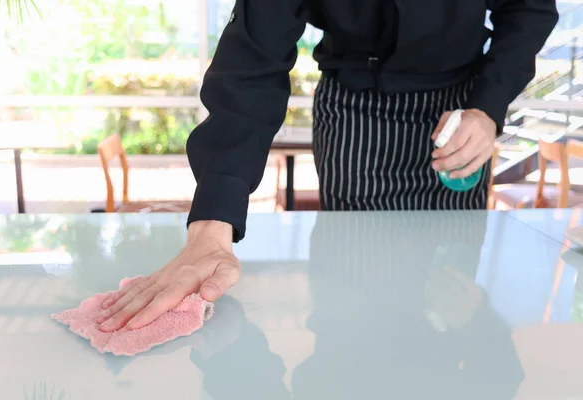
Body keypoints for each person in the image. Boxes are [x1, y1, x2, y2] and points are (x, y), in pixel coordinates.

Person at [96, 0, 558, 333]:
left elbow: (530, 8)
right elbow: (252, 64)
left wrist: (489, 105)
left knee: (454, 285)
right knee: (354, 293)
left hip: (463, 110)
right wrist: (211, 226)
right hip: (357, 111)